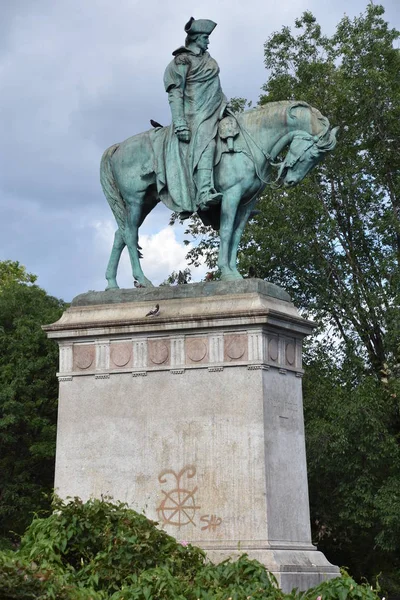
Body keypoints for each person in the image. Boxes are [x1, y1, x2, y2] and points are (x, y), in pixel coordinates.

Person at [163, 17, 229, 215]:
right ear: (196, 38)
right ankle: (204, 192)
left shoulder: (209, 61)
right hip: (195, 115)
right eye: (205, 38)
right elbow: (176, 93)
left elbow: (215, 88)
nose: (208, 42)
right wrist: (180, 122)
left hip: (215, 109)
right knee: (207, 143)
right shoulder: (182, 60)